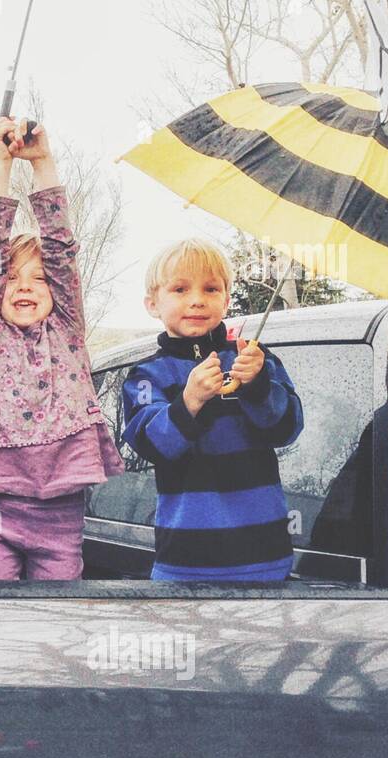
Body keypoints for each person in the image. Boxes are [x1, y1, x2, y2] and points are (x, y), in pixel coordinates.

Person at [0, 117, 124, 581]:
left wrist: (43, 162)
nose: (24, 287)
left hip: (60, 521)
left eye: (40, 278)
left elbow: (62, 250)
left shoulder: (66, 328)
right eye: (12, 278)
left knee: (55, 625)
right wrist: (1, 166)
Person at [122, 238, 304, 581]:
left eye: (210, 288)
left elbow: (288, 427)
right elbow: (149, 443)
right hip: (185, 562)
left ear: (226, 298)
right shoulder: (147, 375)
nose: (196, 300)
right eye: (179, 289)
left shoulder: (253, 357)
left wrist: (258, 385)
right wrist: (189, 401)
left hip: (265, 556)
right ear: (152, 304)